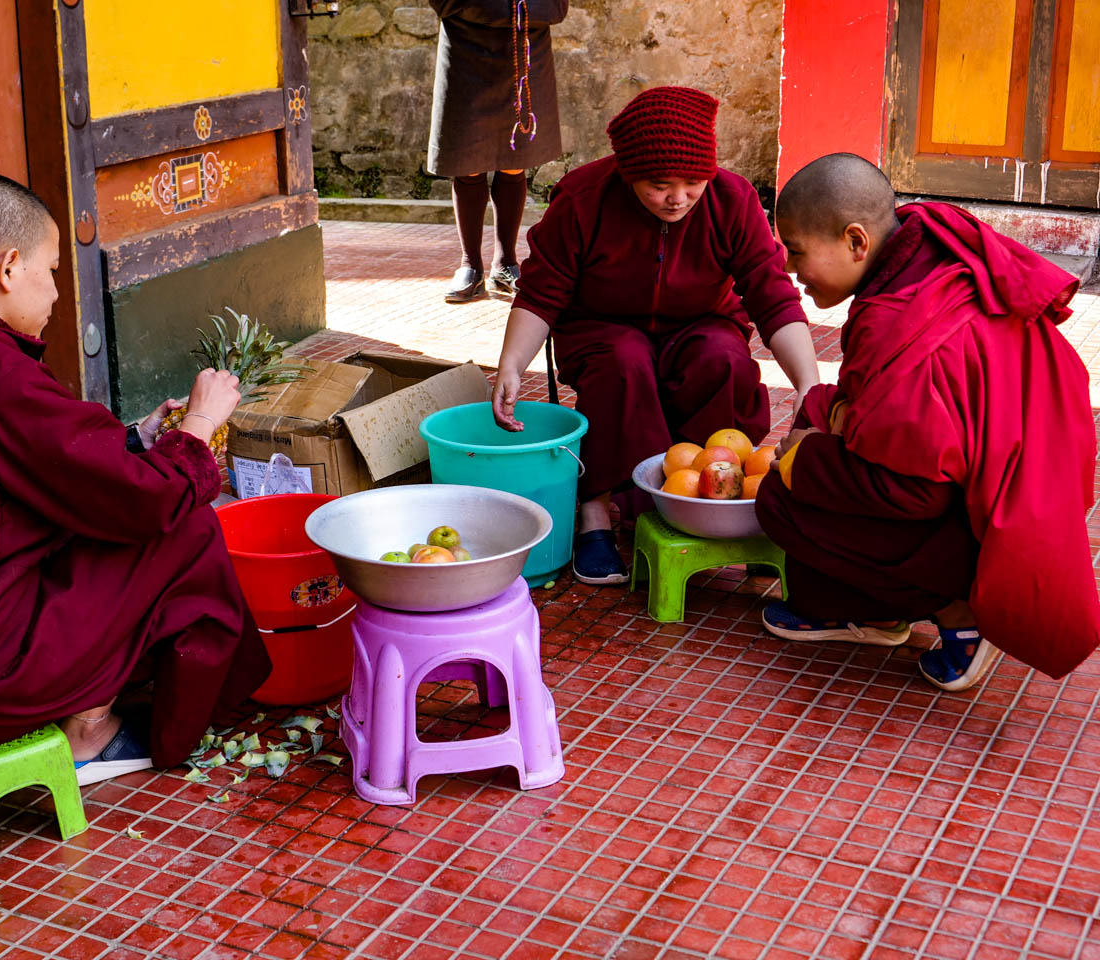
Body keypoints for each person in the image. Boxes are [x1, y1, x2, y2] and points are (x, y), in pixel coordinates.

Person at [0, 174, 272, 785]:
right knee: (183, 524)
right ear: (8, 268)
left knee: (95, 514)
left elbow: (22, 465)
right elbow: (148, 502)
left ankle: (94, 698)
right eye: (51, 270)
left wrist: (135, 438)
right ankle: (91, 729)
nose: (57, 292)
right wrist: (197, 427)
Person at [756, 152, 1100, 691]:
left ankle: (960, 614)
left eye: (797, 253)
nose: (792, 272)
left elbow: (916, 493)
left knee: (782, 494)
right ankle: (869, 614)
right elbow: (887, 402)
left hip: (993, 522)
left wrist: (805, 459)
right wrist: (837, 417)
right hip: (1018, 473)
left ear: (855, 242)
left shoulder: (899, 317)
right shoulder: (927, 249)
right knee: (817, 411)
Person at [492, 86, 821, 584]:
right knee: (623, 361)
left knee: (723, 358)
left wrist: (809, 386)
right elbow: (541, 294)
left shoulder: (733, 200)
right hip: (602, 327)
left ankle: (716, 497)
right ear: (627, 173)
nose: (678, 198)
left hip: (702, 322)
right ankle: (595, 512)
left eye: (693, 182)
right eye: (659, 185)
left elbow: (773, 297)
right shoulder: (583, 199)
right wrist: (512, 366)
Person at [427, 0, 568, 302]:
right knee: (468, 160)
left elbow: (557, 6)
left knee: (515, 161)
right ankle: (470, 267)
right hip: (466, 48)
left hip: (526, 50)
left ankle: (505, 264)